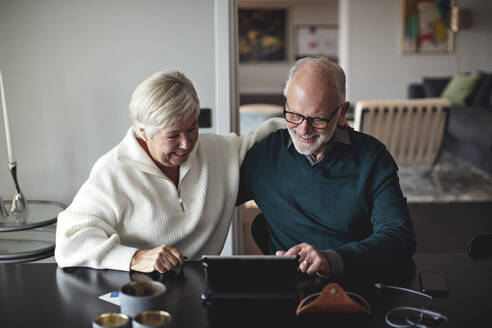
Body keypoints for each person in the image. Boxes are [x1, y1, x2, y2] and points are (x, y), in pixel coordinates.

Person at [55, 71, 283, 273]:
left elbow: (270, 135)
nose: (187, 144)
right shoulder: (113, 171)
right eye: (173, 135)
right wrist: (134, 258)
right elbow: (69, 242)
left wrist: (306, 119)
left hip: (198, 288)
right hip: (139, 292)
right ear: (144, 132)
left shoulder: (217, 151)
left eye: (192, 128)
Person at [238, 56, 416, 279]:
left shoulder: (371, 157)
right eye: (293, 115)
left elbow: (399, 237)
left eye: (318, 119)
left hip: (354, 282)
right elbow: (209, 197)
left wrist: (331, 259)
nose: (303, 130)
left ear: (342, 113)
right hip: (288, 287)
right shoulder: (263, 155)